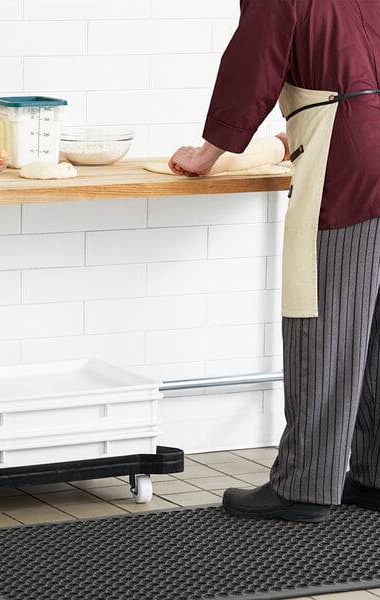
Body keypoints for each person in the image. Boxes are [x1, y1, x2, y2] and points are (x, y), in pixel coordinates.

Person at [169, 0, 380, 523]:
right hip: (364, 136)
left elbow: (252, 70)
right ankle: (375, 475)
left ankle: (306, 486)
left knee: (323, 315)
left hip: (346, 157)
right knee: (374, 323)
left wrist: (207, 154)